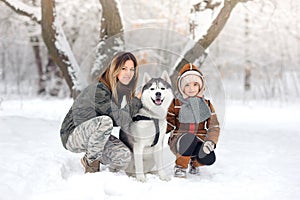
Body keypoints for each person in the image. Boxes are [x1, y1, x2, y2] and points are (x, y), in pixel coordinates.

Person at [60, 52, 142, 173]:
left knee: (124, 156)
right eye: (124, 68)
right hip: (73, 135)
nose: (128, 73)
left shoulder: (117, 91)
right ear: (114, 69)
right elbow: (117, 119)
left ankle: (91, 159)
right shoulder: (99, 90)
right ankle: (91, 165)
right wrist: (136, 101)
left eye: (131, 69)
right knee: (105, 121)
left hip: (95, 136)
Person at [167, 63, 220, 178]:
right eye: (187, 85)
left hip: (200, 139)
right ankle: (180, 167)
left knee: (209, 157)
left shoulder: (206, 104)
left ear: (200, 86)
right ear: (181, 87)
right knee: (189, 138)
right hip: (180, 140)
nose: (191, 88)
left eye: (195, 84)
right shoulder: (176, 104)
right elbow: (168, 123)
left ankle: (194, 162)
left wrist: (210, 141)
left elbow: (214, 126)